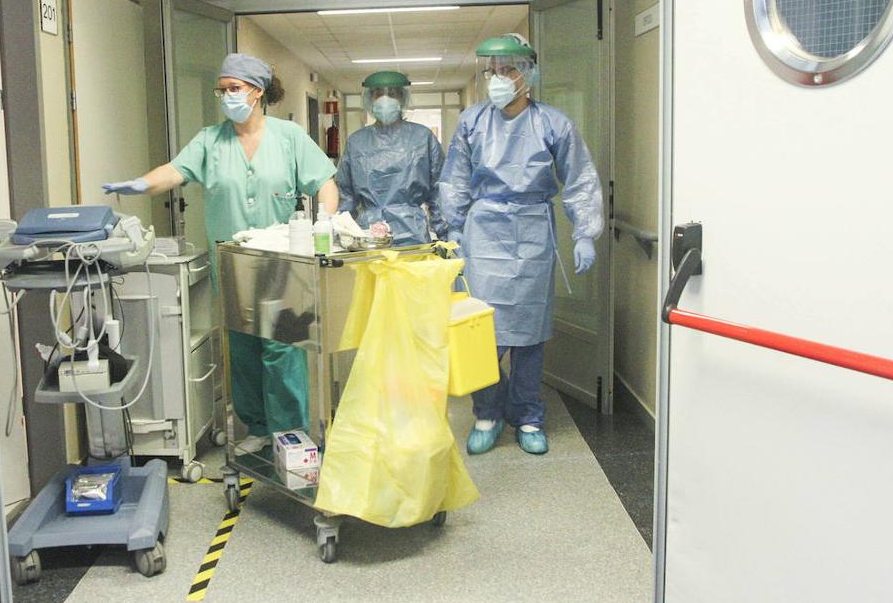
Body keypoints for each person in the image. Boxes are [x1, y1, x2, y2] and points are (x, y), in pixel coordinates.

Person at [104, 53, 338, 449]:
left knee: (282, 351)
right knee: (243, 349)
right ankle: (259, 428)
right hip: (230, 263)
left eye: (235, 89)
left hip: (282, 262)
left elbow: (325, 183)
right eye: (223, 89)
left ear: (257, 92)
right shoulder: (210, 140)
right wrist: (142, 184)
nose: (227, 96)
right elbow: (174, 171)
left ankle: (290, 434)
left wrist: (326, 222)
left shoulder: (289, 138)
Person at [437, 33, 604, 456]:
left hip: (531, 230)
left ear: (528, 74)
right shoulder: (472, 122)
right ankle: (488, 413)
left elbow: (580, 178)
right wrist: (452, 228)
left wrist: (584, 231)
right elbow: (455, 177)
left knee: (529, 334)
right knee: (483, 332)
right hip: (483, 231)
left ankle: (529, 416)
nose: (498, 78)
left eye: (507, 69)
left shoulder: (553, 124)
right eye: (491, 70)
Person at [334, 71, 447, 246]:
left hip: (412, 234)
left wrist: (446, 234)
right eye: (379, 94)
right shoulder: (357, 142)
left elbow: (439, 191)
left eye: (392, 94)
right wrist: (340, 232)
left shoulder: (422, 137)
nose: (385, 99)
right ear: (370, 100)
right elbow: (345, 196)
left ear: (402, 98)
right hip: (369, 235)